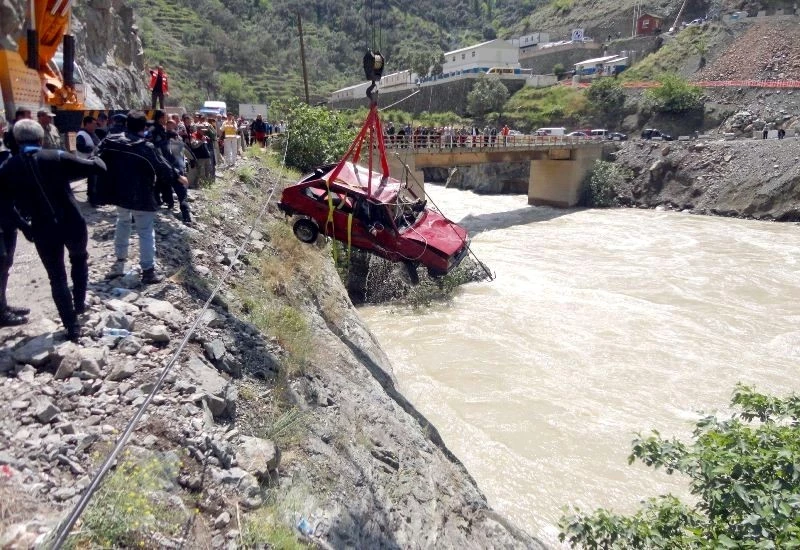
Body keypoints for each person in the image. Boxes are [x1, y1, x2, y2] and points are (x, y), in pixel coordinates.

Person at [0, 120, 107, 339]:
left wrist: (24, 227)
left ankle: (71, 326)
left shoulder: (8, 168)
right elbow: (98, 168)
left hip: (41, 227)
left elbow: (4, 205)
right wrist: (97, 154)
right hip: (72, 221)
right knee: (79, 259)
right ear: (41, 139)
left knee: (56, 276)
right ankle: (79, 303)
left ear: (18, 141)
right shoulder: (56, 156)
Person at [97, 111, 187, 284]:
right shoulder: (145, 147)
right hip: (142, 194)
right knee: (145, 231)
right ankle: (148, 271)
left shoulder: (111, 141)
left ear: (126, 124)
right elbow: (162, 167)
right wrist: (178, 177)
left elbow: (96, 158)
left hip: (119, 193)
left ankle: (120, 258)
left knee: (122, 221)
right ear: (144, 127)